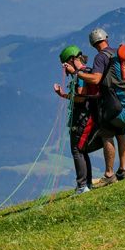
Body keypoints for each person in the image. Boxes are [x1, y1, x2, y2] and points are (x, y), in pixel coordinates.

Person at [68, 27, 125, 187]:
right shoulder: (117, 53)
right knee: (120, 134)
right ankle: (122, 170)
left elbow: (95, 79)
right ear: (106, 38)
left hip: (111, 104)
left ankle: (109, 174)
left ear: (93, 43)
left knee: (107, 135)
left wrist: (77, 73)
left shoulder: (100, 57)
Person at [53, 44, 94, 195]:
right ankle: (87, 184)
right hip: (85, 117)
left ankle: (82, 186)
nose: (65, 69)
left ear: (71, 59)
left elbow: (81, 98)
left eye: (65, 64)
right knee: (82, 150)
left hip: (82, 118)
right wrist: (63, 94)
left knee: (77, 150)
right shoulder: (85, 72)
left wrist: (64, 95)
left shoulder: (81, 75)